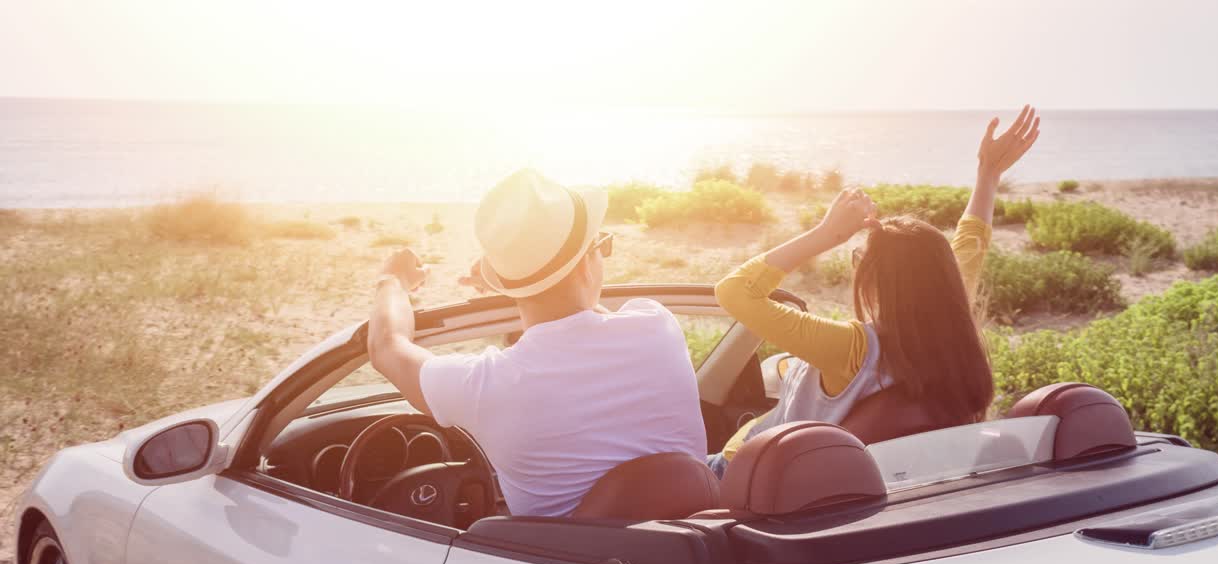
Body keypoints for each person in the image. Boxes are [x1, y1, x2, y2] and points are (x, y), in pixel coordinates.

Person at [710, 106, 1042, 474]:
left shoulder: (850, 349)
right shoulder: (948, 329)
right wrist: (988, 175)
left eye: (859, 259)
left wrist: (826, 234)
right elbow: (970, 243)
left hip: (743, 476)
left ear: (876, 278)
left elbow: (734, 292)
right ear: (941, 276)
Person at [367, 169, 707, 517]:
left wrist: (392, 280)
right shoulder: (657, 328)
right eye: (601, 246)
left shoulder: (488, 387)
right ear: (585, 268)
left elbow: (386, 346)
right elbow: (587, 320)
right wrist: (522, 286)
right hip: (696, 548)